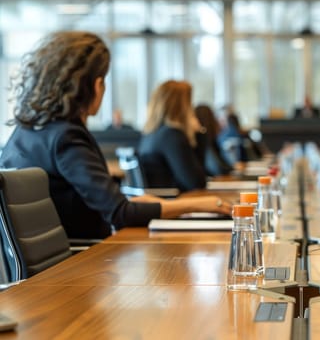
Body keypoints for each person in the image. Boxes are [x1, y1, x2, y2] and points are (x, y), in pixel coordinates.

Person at [0, 31, 231, 240]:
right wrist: (201, 204)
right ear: (97, 84)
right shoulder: (67, 138)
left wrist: (155, 204)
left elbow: (108, 204)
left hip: (55, 268)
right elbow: (120, 214)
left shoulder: (25, 133)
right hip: (80, 265)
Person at [138, 80, 207, 192]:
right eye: (189, 104)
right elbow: (197, 183)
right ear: (181, 107)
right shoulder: (172, 136)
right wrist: (199, 133)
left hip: (161, 203)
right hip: (174, 204)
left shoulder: (150, 134)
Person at [194, 104, 234, 176]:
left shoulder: (211, 140)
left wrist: (232, 168)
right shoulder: (204, 140)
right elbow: (217, 169)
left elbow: (224, 165)